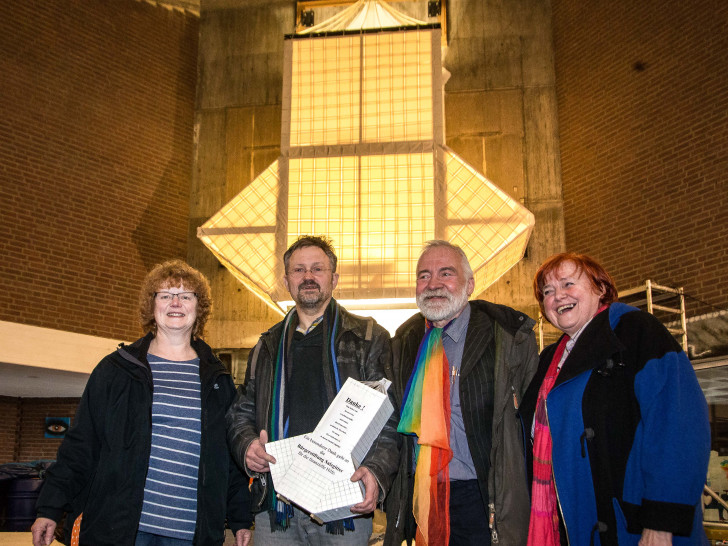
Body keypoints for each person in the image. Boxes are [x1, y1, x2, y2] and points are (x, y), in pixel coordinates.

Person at [31, 260, 253, 546]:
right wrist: (49, 508)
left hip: (190, 533)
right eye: (165, 295)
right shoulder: (116, 370)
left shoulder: (218, 381)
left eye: (186, 296)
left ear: (199, 308)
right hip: (122, 530)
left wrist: (239, 517)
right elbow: (81, 445)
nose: (176, 302)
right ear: (152, 305)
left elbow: (228, 459)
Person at [521, 252, 710, 546]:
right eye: (548, 291)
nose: (558, 296)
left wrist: (661, 524)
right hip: (570, 528)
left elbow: (678, 427)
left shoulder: (635, 332)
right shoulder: (549, 361)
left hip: (634, 528)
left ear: (600, 288)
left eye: (568, 284)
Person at [226, 235, 400, 545]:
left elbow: (388, 420)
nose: (308, 277)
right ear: (286, 281)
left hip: (344, 502)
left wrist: (375, 471)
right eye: (299, 270)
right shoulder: (266, 346)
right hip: (277, 507)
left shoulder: (368, 338)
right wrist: (247, 445)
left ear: (334, 279)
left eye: (317, 269)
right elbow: (242, 411)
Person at [384, 240, 539, 546]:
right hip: (423, 496)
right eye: (424, 276)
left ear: (469, 285)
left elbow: (533, 426)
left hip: (483, 499)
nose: (434, 284)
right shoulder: (403, 343)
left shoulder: (507, 337)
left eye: (446, 273)